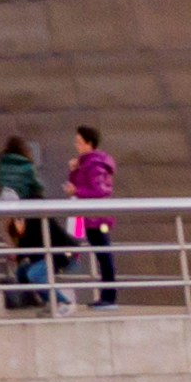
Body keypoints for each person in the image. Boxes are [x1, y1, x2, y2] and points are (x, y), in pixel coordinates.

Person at [0, 130, 51, 311]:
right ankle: (28, 293)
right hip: (21, 215)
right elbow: (38, 187)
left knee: (13, 252)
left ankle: (16, 294)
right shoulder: (27, 166)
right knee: (28, 250)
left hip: (3, 212)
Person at [67, 125, 119, 307]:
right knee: (102, 256)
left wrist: (76, 191)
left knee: (104, 257)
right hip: (91, 218)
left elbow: (99, 191)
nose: (76, 145)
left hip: (97, 218)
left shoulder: (94, 164)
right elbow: (76, 186)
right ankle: (107, 296)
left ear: (89, 143)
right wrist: (74, 171)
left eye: (79, 142)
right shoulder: (86, 163)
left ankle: (109, 297)